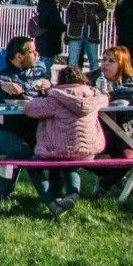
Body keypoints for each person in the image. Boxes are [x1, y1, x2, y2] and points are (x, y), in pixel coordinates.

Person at [0, 36, 51, 198]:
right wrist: (0, 87)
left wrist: (50, 87)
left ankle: (59, 194)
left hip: (34, 129)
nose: (37, 54)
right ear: (19, 57)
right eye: (32, 51)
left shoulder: (39, 70)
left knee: (59, 148)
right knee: (23, 150)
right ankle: (50, 199)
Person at [23, 66, 108, 217]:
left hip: (57, 150)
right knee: (70, 166)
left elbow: (30, 109)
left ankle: (52, 203)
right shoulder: (94, 97)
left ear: (60, 81)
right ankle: (72, 193)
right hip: (86, 152)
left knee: (33, 167)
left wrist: (42, 95)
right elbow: (106, 99)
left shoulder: (55, 98)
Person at [88, 46, 133, 195]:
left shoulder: (131, 84)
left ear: (121, 64)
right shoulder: (90, 79)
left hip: (124, 132)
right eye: (104, 59)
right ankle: (111, 177)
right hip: (97, 130)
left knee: (131, 155)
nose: (105, 64)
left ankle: (106, 183)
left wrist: (112, 95)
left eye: (111, 61)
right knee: (81, 153)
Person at [59, 0, 108, 71]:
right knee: (73, 61)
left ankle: (94, 82)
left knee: (94, 61)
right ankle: (73, 82)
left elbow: (103, 11)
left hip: (91, 32)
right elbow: (64, 4)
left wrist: (97, 17)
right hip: (75, 33)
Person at [34, 0, 64, 75]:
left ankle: (41, 81)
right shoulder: (52, 9)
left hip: (41, 40)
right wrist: (66, 27)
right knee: (47, 65)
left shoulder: (43, 7)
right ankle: (44, 84)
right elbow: (56, 25)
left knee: (43, 64)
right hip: (50, 41)